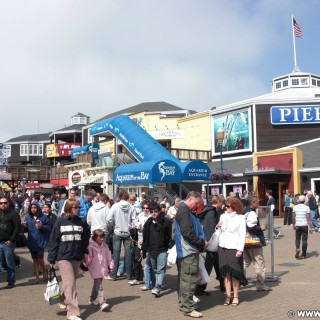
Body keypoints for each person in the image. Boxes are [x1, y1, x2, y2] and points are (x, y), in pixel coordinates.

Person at [47, 198, 90, 320]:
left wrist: (84, 252)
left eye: (79, 207)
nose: (78, 209)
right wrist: (51, 259)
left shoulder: (81, 222)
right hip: (63, 256)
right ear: (69, 208)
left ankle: (62, 298)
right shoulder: (60, 221)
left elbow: (85, 239)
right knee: (71, 285)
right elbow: (53, 240)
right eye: (75, 207)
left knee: (69, 284)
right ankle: (72, 313)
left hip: (76, 256)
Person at [175, 191, 207, 318]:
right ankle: (188, 308)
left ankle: (184, 304)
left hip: (187, 250)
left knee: (185, 279)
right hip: (188, 251)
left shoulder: (184, 210)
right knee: (189, 280)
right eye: (197, 203)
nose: (197, 206)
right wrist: (201, 242)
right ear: (191, 199)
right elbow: (187, 233)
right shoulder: (184, 211)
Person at [216, 196, 247, 307]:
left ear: (234, 207)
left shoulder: (240, 218)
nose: (225, 208)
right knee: (226, 274)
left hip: (234, 247)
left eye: (228, 206)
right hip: (222, 247)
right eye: (225, 206)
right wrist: (218, 226)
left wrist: (240, 249)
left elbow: (242, 234)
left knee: (234, 273)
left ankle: (236, 296)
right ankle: (228, 296)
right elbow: (219, 231)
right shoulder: (223, 216)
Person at [196, 195, 225, 295]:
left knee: (217, 264)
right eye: (222, 202)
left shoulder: (209, 210)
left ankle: (223, 284)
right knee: (208, 266)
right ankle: (200, 288)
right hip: (211, 244)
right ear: (219, 201)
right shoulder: (211, 212)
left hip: (211, 244)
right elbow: (210, 229)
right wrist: (209, 243)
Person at [142, 202, 172, 297]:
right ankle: (157, 285)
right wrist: (143, 250)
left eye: (155, 211)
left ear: (159, 211)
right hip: (151, 249)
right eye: (151, 211)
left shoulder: (166, 221)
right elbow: (145, 236)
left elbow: (169, 235)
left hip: (162, 249)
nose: (153, 213)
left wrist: (169, 246)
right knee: (155, 269)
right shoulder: (148, 222)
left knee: (161, 270)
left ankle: (157, 288)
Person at [243, 196, 272, 292]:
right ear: (252, 203)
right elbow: (251, 228)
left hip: (245, 241)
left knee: (245, 261)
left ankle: (237, 279)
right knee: (259, 263)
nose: (258, 204)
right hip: (253, 241)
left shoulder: (244, 211)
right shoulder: (251, 213)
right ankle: (260, 284)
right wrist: (261, 228)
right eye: (257, 202)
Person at [106, 190, 136, 281]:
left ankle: (113, 275)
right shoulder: (131, 207)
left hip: (117, 232)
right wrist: (130, 227)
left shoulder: (115, 206)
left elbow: (108, 219)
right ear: (127, 197)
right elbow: (135, 221)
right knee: (128, 254)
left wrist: (112, 227)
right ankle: (129, 274)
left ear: (119, 197)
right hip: (127, 232)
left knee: (116, 254)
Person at [86, 229, 114, 311]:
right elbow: (89, 258)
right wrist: (85, 262)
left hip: (102, 268)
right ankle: (102, 303)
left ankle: (92, 298)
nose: (102, 239)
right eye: (100, 237)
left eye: (103, 237)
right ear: (95, 237)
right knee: (100, 286)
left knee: (97, 285)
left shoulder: (104, 245)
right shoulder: (91, 246)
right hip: (94, 268)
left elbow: (108, 255)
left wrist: (111, 264)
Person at [23, 202, 51, 284]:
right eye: (32, 208)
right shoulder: (27, 217)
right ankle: (37, 278)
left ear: (38, 208)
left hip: (40, 241)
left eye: (35, 207)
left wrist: (42, 226)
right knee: (34, 260)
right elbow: (25, 230)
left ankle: (44, 270)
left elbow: (49, 228)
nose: (33, 209)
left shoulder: (44, 217)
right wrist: (24, 227)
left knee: (39, 258)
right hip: (32, 241)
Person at [0, 196, 21, 289]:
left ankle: (11, 281)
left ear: (9, 203)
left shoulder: (14, 213)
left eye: (5, 203)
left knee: (9, 263)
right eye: (1, 203)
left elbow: (17, 228)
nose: (3, 205)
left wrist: (11, 240)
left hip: (8, 242)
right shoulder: (0, 213)